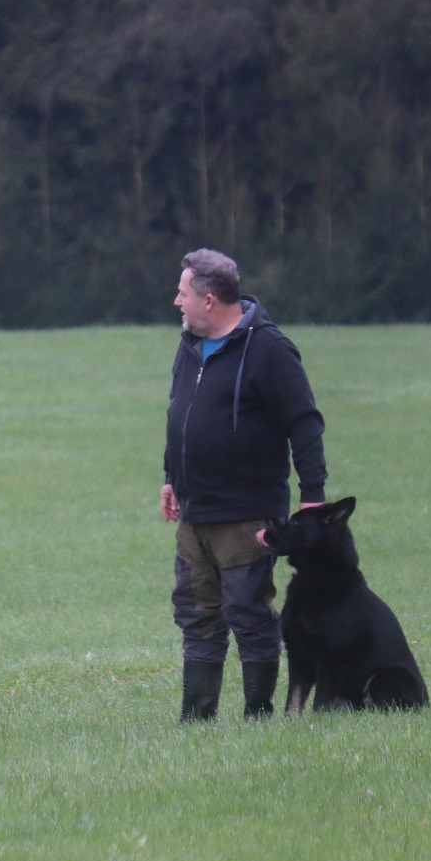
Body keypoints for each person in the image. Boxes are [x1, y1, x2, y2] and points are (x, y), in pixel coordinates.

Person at [162, 248, 327, 720]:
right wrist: (170, 477)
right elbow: (180, 414)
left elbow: (305, 422)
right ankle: (197, 717)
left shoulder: (270, 349)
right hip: (195, 512)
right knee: (196, 614)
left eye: (183, 293)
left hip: (246, 513)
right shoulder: (189, 345)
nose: (177, 301)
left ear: (209, 299)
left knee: (248, 615)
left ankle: (258, 715)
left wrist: (312, 496)